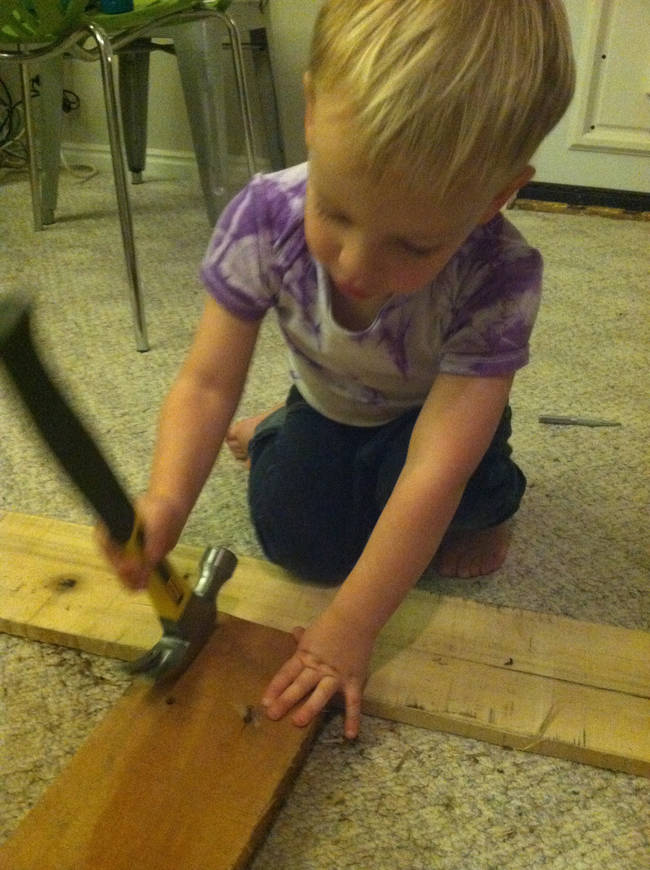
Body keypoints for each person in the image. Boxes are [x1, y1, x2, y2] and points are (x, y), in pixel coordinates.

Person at [102, 0, 575, 739]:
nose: (359, 268)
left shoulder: (501, 274)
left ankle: (500, 501)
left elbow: (434, 471)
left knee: (462, 501)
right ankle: (279, 428)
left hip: (436, 419)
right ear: (313, 109)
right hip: (328, 398)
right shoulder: (264, 215)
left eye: (414, 247)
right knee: (302, 547)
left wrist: (351, 628)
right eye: (338, 212)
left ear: (498, 194)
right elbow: (205, 384)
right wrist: (164, 503)